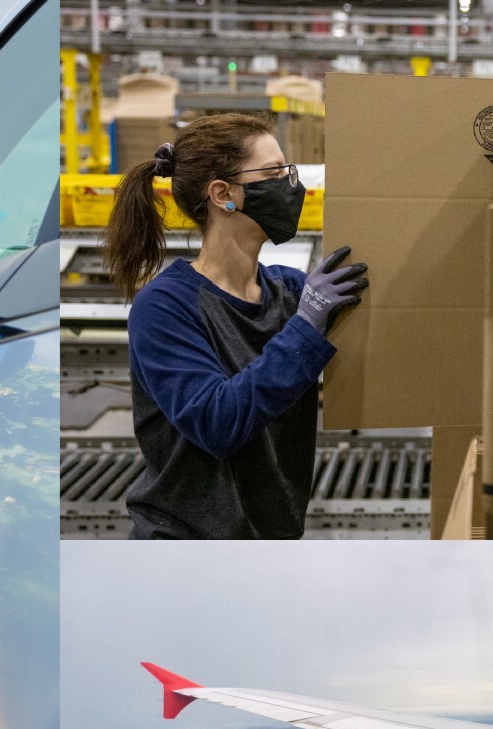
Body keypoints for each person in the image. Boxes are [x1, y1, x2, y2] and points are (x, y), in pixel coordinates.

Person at [104, 112, 368, 540]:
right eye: (273, 172)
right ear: (223, 194)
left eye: (288, 170)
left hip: (268, 540)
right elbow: (217, 422)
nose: (290, 184)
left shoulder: (290, 291)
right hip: (185, 548)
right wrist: (307, 324)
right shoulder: (165, 307)